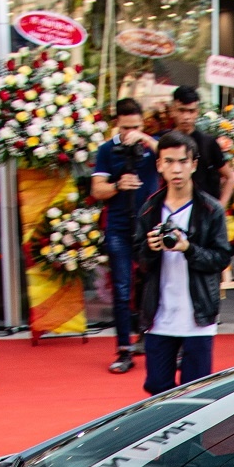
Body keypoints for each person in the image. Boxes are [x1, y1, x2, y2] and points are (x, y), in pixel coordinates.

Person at [136, 131, 234, 394]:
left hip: (197, 316)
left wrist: (188, 248)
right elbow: (141, 262)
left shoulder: (211, 210)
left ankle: (194, 438)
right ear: (159, 165)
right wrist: (150, 247)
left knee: (196, 393)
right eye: (168, 161)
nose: (176, 169)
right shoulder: (148, 209)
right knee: (157, 389)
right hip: (159, 315)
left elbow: (221, 258)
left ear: (194, 164)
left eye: (182, 161)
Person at [90, 97, 159, 374]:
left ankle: (152, 339)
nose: (131, 132)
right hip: (118, 225)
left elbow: (171, 159)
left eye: (137, 126)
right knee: (121, 288)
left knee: (155, 284)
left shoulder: (152, 147)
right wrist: (118, 185)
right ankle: (123, 349)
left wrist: (145, 139)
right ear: (117, 122)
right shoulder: (107, 150)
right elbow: (97, 190)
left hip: (149, 224)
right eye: (127, 126)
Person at [166, 86, 233, 210]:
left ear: (197, 112)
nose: (186, 117)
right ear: (172, 110)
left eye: (191, 111)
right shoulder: (165, 141)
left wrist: (220, 208)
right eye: (181, 110)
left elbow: (229, 177)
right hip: (173, 210)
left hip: (204, 212)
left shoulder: (207, 142)